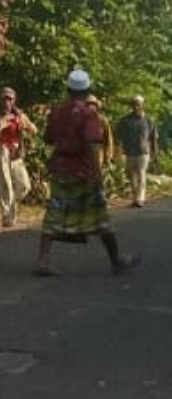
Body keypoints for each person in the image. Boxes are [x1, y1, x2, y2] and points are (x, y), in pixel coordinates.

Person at [35, 69, 140, 277]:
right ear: (88, 90)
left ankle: (43, 260)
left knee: (54, 213)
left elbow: (48, 138)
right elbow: (92, 144)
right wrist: (97, 173)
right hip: (83, 170)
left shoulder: (57, 112)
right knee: (100, 215)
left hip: (60, 169)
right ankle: (116, 260)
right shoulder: (89, 114)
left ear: (68, 90)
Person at [0, 87, 38, 227]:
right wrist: (5, 120)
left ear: (14, 100)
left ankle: (12, 206)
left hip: (16, 152)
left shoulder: (19, 114)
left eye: (9, 99)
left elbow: (34, 129)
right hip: (1, 150)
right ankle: (7, 216)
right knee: (5, 184)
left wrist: (25, 125)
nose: (6, 102)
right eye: (4, 98)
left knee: (24, 186)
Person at [114, 95, 158, 208]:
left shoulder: (148, 120)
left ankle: (140, 198)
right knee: (132, 174)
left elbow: (153, 138)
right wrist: (118, 150)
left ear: (143, 106)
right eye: (134, 104)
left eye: (138, 104)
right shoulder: (125, 120)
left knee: (141, 172)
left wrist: (155, 152)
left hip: (144, 151)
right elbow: (118, 136)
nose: (136, 107)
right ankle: (135, 197)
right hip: (130, 151)